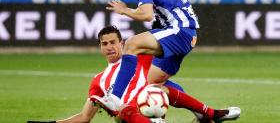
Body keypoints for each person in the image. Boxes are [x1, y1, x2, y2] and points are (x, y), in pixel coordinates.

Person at [93, 0, 241, 123]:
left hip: (180, 30)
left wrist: (124, 10)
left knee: (130, 44)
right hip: (186, 33)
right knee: (152, 85)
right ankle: (207, 115)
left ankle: (115, 98)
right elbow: (162, 10)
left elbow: (146, 14)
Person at [27, 26, 240, 123]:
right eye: (104, 44)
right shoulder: (98, 80)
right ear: (100, 48)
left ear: (122, 43)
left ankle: (209, 113)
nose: (109, 47)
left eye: (113, 42)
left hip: (151, 106)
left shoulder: (140, 57)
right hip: (128, 117)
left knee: (162, 88)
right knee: (124, 109)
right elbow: (84, 117)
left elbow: (168, 72)